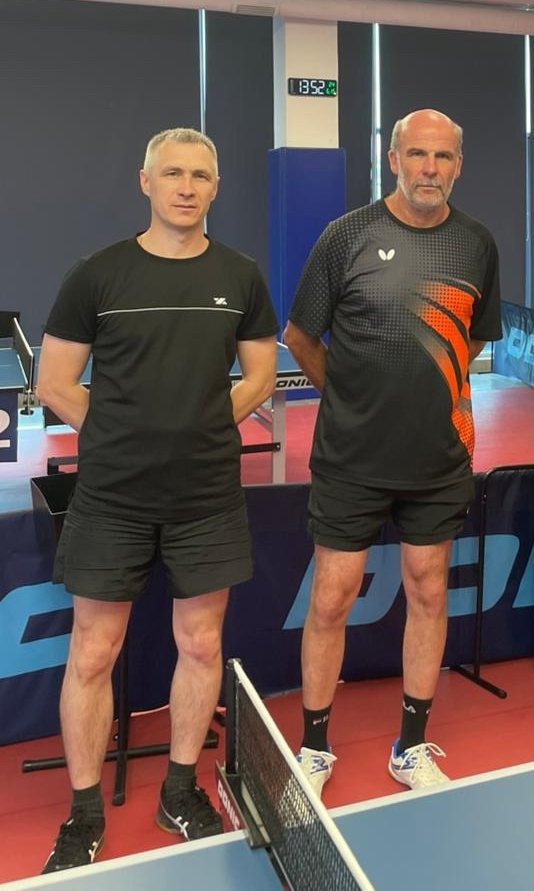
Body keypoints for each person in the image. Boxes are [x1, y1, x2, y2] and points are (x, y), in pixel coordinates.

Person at [36, 128, 277, 874]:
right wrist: (120, 435)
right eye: (172, 173)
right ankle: (82, 814)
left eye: (200, 175)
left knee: (201, 645)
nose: (186, 187)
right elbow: (54, 383)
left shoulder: (240, 276)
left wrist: (200, 428)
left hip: (206, 494)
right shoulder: (96, 274)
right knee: (92, 652)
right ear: (146, 181)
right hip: (112, 496)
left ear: (215, 188)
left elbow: (260, 378)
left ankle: (179, 791)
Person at [284, 109, 501, 796]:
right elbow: (299, 335)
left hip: (438, 459)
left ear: (458, 165)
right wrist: (347, 397)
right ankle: (313, 748)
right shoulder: (345, 235)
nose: (429, 169)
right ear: (392, 159)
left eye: (442, 157)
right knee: (331, 598)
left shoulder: (476, 243)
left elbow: (476, 336)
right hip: (350, 459)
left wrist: (434, 391)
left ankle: (411, 745)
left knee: (429, 591)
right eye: (417, 155)